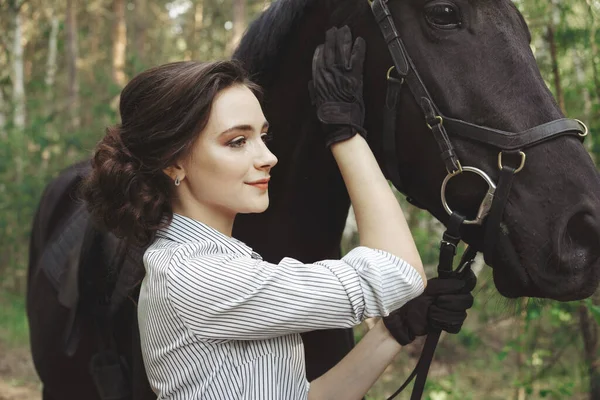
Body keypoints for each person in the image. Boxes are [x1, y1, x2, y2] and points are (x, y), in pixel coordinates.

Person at [82, 26, 475, 400]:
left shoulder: (213, 261)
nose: (268, 157)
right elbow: (399, 275)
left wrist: (393, 330)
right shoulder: (198, 276)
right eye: (237, 142)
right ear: (173, 164)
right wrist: (345, 134)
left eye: (263, 136)